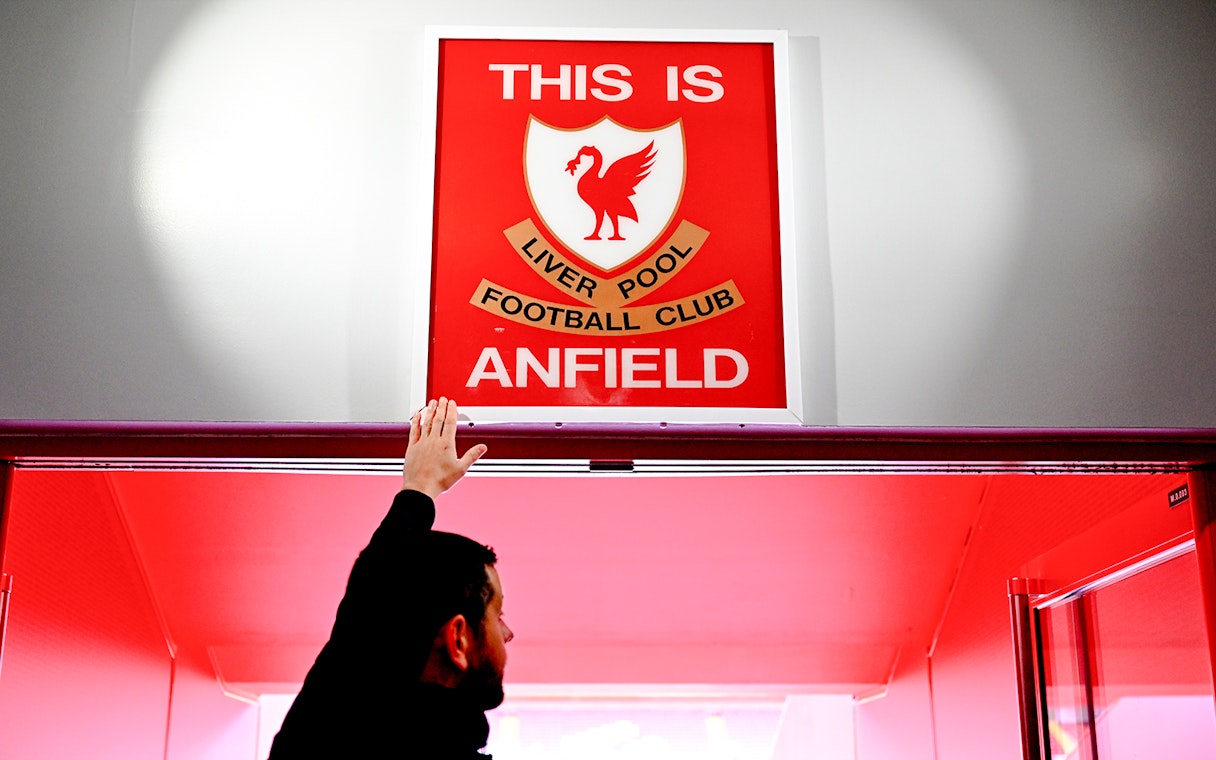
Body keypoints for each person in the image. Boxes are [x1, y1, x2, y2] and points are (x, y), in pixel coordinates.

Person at [269, 397, 512, 759]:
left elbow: (365, 616)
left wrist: (419, 489)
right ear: (458, 638)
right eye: (498, 615)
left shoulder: (317, 741)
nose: (507, 633)